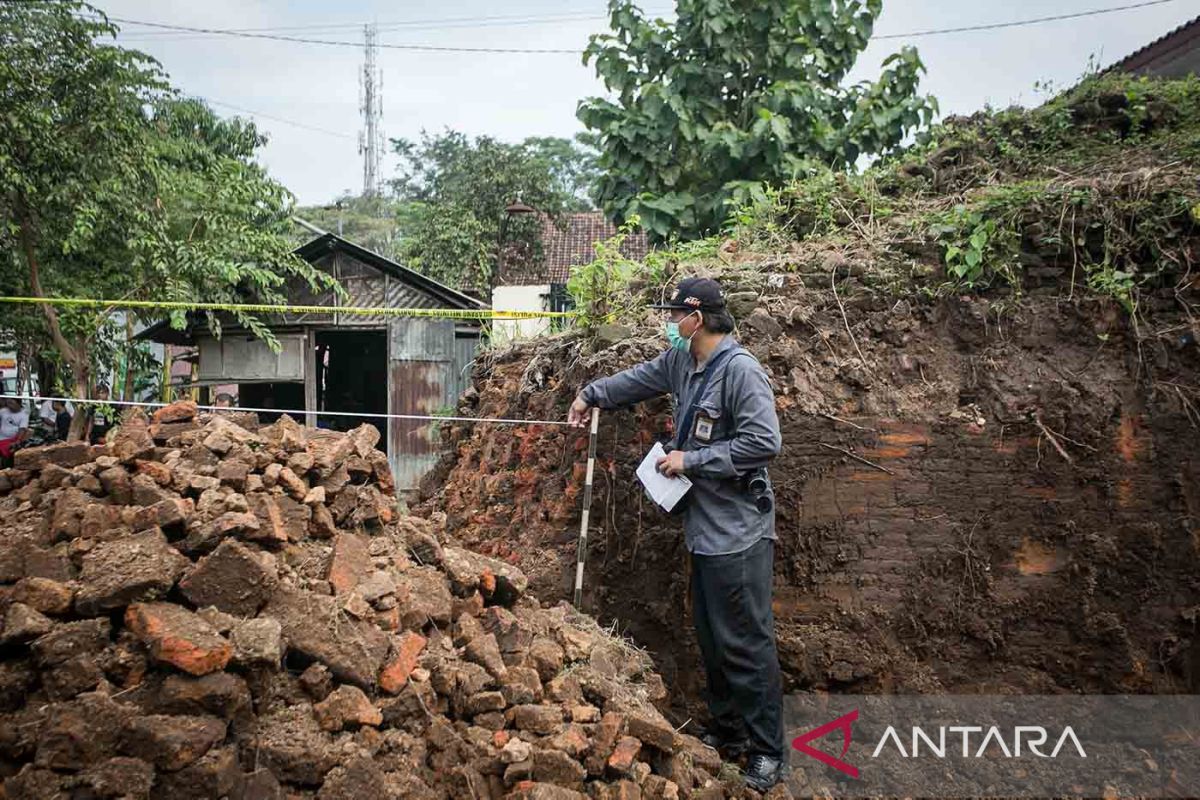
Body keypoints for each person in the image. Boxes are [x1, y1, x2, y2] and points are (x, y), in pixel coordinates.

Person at [568, 277, 785, 792]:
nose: (670, 324)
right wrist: (588, 394)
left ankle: (767, 752)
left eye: (675, 316)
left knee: (746, 643)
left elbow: (764, 441)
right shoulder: (682, 363)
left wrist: (694, 459)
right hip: (704, 531)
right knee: (713, 640)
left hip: (739, 533)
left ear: (698, 318)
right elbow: (637, 380)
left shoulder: (741, 372)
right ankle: (728, 735)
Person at [0, 397, 30, 465]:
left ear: (18, 403)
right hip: (1, 438)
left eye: (11, 403)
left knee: (9, 453)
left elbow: (22, 429)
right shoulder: (3, 411)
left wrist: (18, 441)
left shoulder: (24, 414)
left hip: (13, 440)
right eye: (8, 403)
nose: (9, 405)